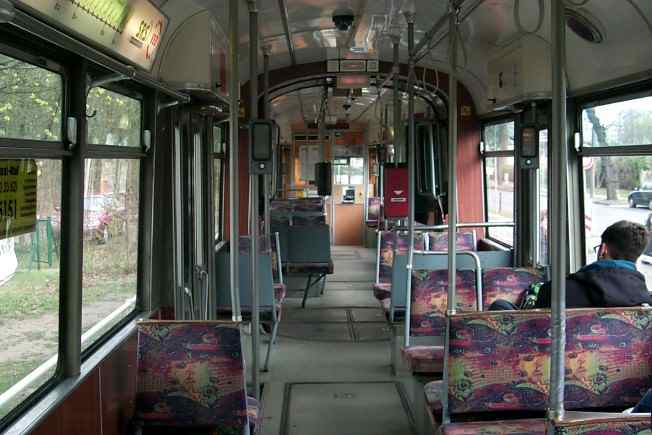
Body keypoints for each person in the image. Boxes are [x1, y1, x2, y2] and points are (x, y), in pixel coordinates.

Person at [490, 220, 652, 310]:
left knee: (500, 306)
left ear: (603, 249)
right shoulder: (645, 299)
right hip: (622, 370)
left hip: (551, 367)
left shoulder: (558, 292)